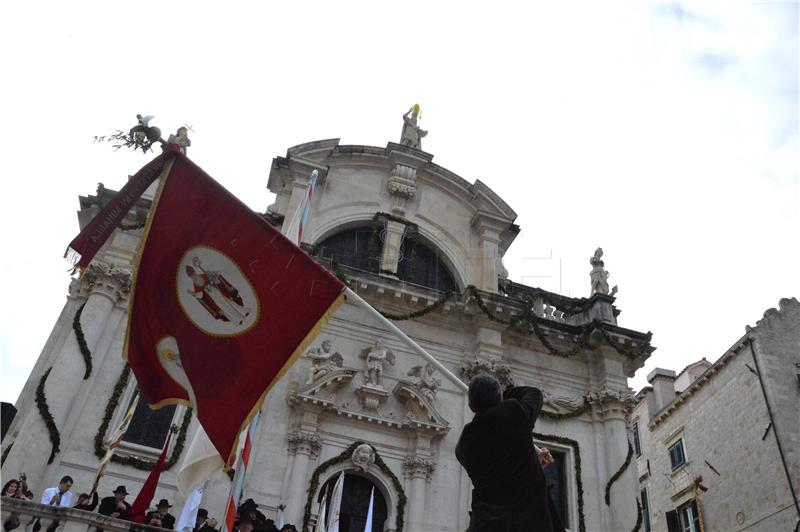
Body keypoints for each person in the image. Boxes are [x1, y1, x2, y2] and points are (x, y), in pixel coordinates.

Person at [455, 375, 565, 532]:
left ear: (471, 406)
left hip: (488, 524)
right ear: (499, 396)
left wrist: (530, 462)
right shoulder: (513, 413)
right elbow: (533, 394)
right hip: (528, 522)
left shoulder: (463, 446)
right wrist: (500, 396)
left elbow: (500, 473)